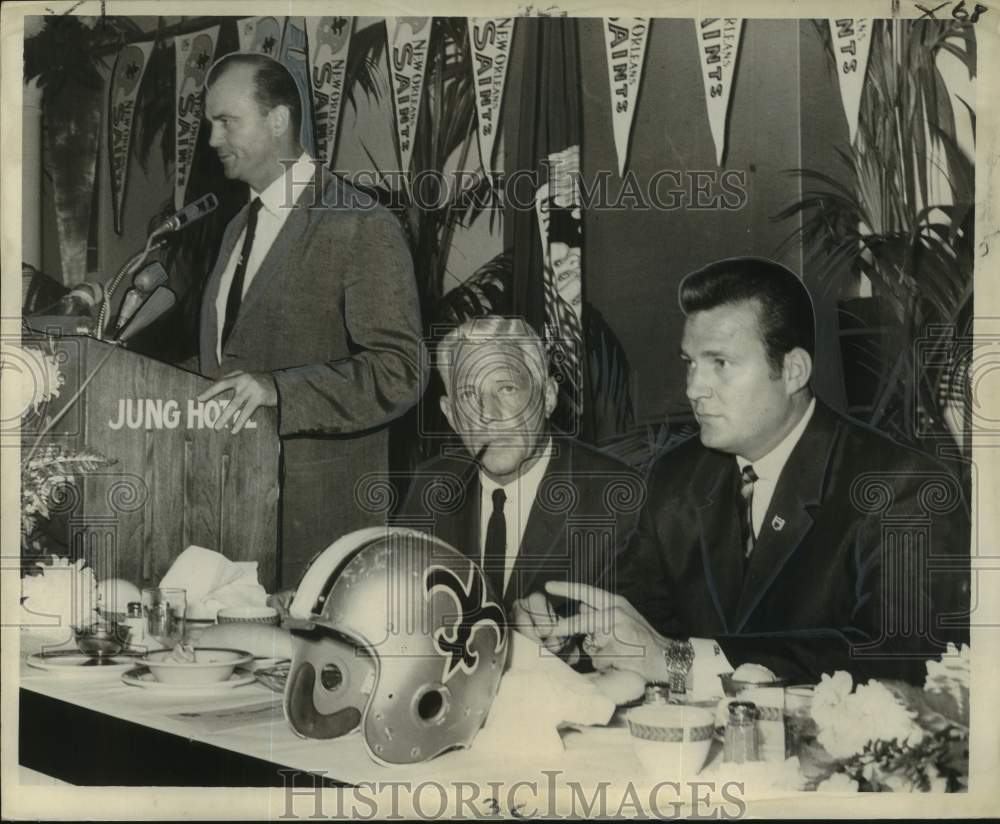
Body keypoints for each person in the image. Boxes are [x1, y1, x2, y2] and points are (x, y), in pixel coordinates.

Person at [539, 257, 970, 689]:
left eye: (720, 364)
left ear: (793, 371)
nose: (693, 388)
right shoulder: (677, 478)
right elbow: (635, 615)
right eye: (690, 362)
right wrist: (573, 636)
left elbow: (901, 655)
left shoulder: (902, 485)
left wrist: (680, 661)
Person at [194, 53, 425, 586]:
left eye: (226, 121)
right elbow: (230, 363)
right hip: (229, 514)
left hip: (318, 525)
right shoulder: (234, 229)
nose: (212, 139)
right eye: (210, 123)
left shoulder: (359, 221)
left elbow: (400, 370)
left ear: (278, 121)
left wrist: (281, 391)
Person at [396, 316, 644, 649]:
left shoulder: (613, 496)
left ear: (548, 397)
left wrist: (569, 652)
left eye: (507, 388)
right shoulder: (432, 485)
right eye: (469, 394)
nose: (488, 414)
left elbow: (640, 640)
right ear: (452, 415)